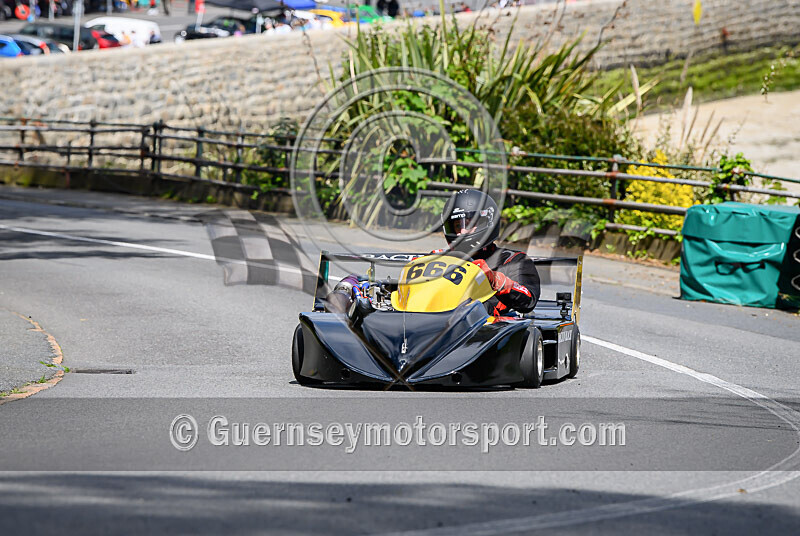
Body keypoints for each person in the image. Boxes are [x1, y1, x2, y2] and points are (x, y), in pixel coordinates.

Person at [327, 190, 541, 317]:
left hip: (482, 327)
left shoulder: (512, 260)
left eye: (471, 224)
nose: (463, 231)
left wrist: (495, 280)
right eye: (457, 225)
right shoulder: (438, 257)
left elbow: (529, 299)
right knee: (364, 293)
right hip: (426, 320)